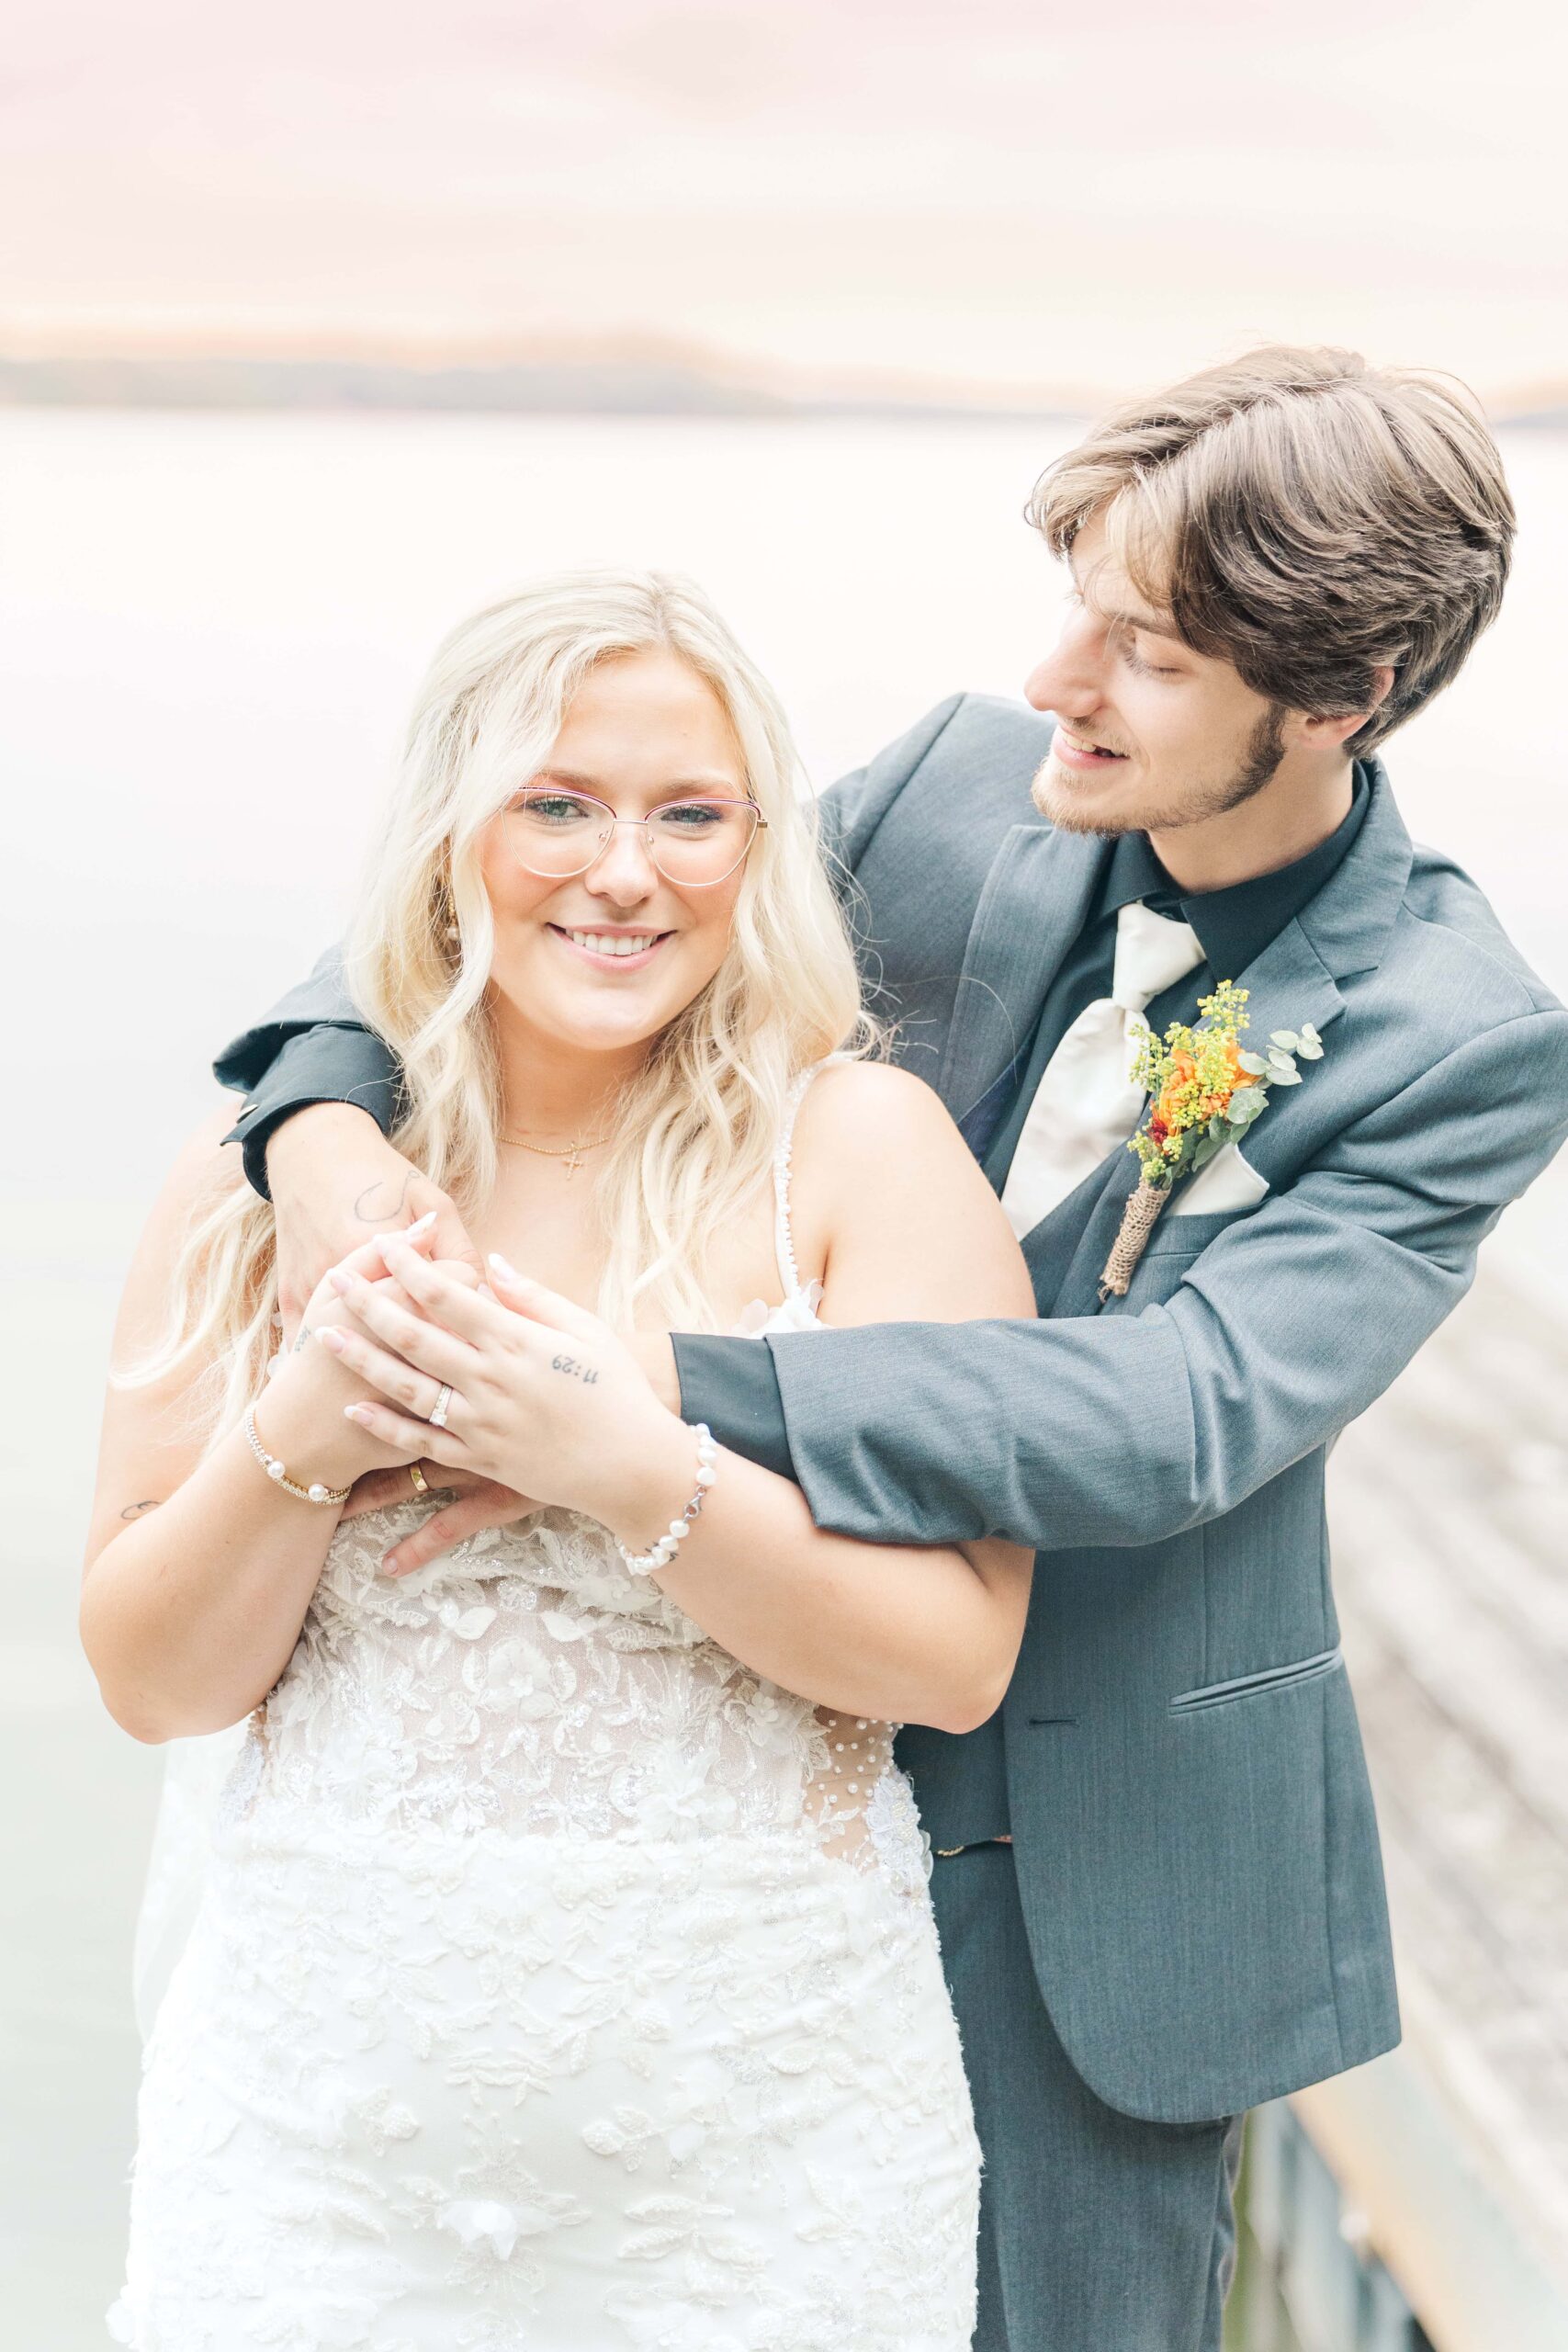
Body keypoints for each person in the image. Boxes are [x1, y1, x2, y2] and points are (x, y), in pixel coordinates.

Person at [222, 345, 1568, 2352]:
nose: (1057, 681)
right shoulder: (948, 792)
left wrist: (638, 1387)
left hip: (1105, 1886)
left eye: (1144, 653)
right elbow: (546, 925)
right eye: (1072, 608)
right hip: (734, 1778)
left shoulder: (1451, 1035)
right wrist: (323, 1124)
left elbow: (1176, 1411)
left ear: (1334, 699)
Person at [84, 571, 1038, 2350]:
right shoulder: (261, 1183)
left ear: (756, 849)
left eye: (689, 815)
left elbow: (956, 1657)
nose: (625, 871)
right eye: (559, 805)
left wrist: (626, 1470)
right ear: (452, 827)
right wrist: (292, 1440)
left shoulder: (855, 1154)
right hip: (312, 2160)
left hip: (757, 2163)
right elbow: (154, 1678)